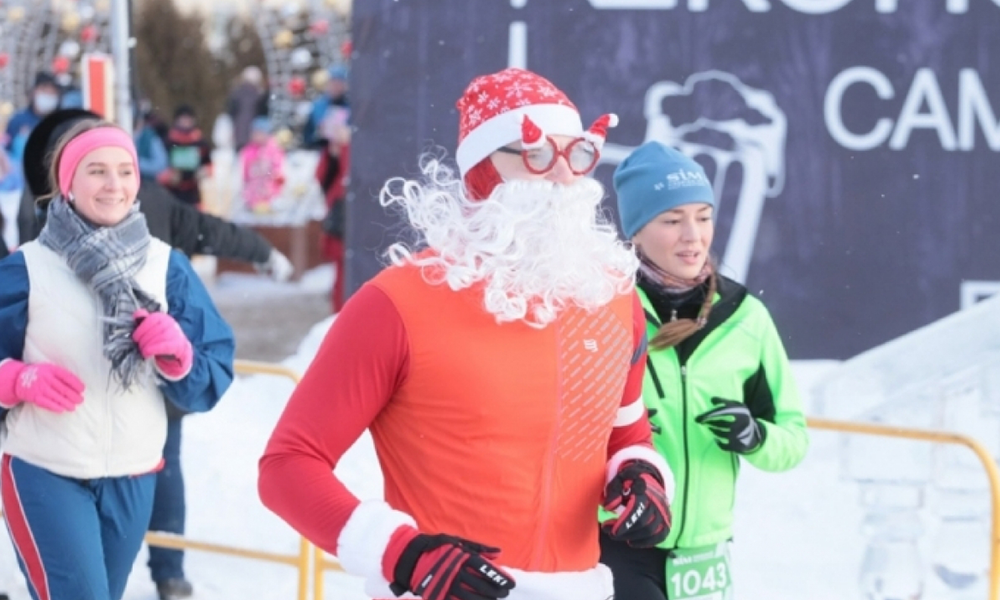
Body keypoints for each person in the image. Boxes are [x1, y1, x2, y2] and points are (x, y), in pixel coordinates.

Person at [259, 67, 674, 600]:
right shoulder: (397, 303)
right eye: (536, 154)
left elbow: (625, 432)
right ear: (480, 171)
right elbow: (288, 465)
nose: (562, 176)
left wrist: (642, 476)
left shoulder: (611, 297)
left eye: (577, 153)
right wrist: (404, 553)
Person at [13, 107, 292, 600]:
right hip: (46, 468)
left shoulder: (168, 268)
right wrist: (16, 381)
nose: (113, 185)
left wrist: (179, 357)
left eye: (124, 172)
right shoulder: (29, 268)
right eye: (95, 170)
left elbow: (212, 367)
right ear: (67, 183)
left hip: (134, 473)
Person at [599, 141, 809, 600]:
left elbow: (793, 438)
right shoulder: (603, 309)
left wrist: (754, 436)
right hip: (617, 542)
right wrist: (614, 442)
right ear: (635, 231)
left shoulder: (745, 317)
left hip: (705, 556)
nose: (693, 235)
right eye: (672, 220)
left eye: (703, 216)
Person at [315, 107, 350, 312]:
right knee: (339, 274)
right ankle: (338, 311)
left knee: (345, 274)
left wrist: (344, 148)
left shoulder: (352, 151)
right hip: (337, 220)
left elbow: (350, 178)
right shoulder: (330, 154)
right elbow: (321, 178)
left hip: (346, 220)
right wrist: (332, 153)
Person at [160, 105, 212, 208]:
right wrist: (168, 176)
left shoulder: (199, 142)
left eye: (188, 119)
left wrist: (204, 171)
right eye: (183, 119)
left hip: (193, 193)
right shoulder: (168, 141)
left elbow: (209, 163)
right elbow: (159, 167)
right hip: (172, 193)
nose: (186, 122)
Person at [3, 72, 61, 162]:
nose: (48, 96)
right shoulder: (18, 120)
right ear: (34, 92)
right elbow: (6, 152)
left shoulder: (60, 123)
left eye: (52, 93)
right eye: (44, 91)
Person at [239, 116, 285, 214]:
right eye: (255, 133)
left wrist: (276, 179)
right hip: (253, 188)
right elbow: (245, 170)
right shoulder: (248, 150)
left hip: (270, 189)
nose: (257, 136)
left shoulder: (274, 149)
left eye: (260, 133)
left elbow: (278, 168)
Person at [302, 64, 348, 148]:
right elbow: (308, 137)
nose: (336, 87)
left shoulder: (350, 106)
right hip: (323, 152)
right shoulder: (318, 106)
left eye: (339, 84)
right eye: (333, 83)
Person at [226, 66, 268, 152]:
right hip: (253, 135)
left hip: (239, 134)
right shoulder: (259, 94)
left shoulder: (236, 93)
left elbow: (231, 113)